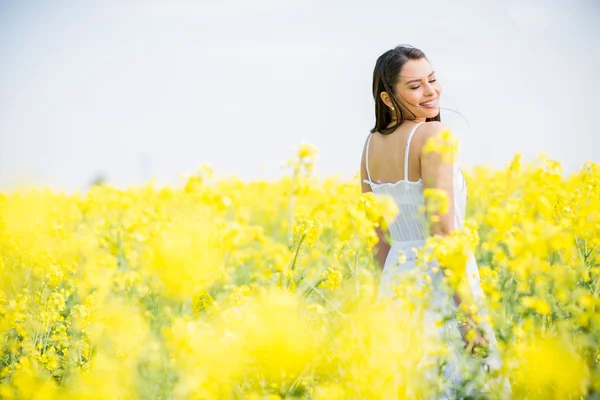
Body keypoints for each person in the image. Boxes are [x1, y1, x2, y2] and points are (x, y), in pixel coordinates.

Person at [360, 45, 511, 398]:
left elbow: (378, 241)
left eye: (432, 79)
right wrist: (469, 322)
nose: (430, 92)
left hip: (396, 285)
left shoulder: (369, 146)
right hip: (444, 285)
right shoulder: (433, 136)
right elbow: (443, 232)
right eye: (415, 86)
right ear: (387, 97)